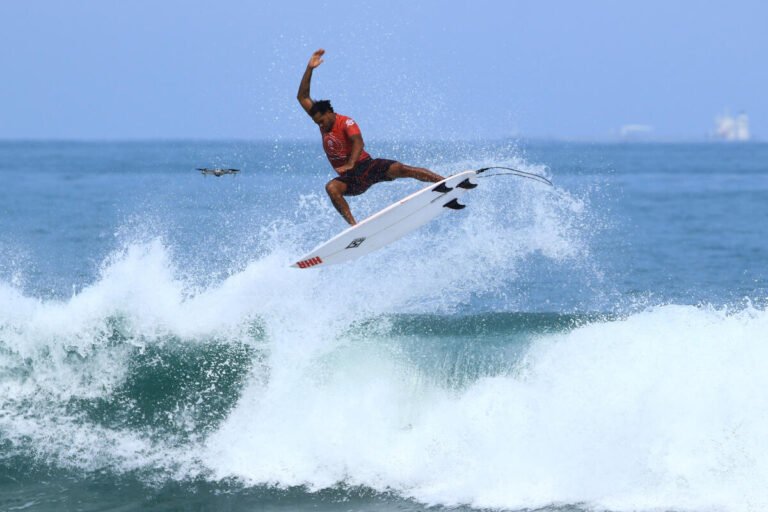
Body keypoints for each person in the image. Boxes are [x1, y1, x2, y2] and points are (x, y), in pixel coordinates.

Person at [297, 48, 445, 225]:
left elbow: (358, 142)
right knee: (332, 188)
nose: (321, 126)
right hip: (351, 180)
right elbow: (302, 96)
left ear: (329, 112)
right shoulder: (321, 122)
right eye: (317, 124)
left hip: (365, 167)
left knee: (401, 169)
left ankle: (445, 182)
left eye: (322, 121)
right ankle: (354, 227)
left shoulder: (346, 122)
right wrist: (310, 68)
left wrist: (351, 163)